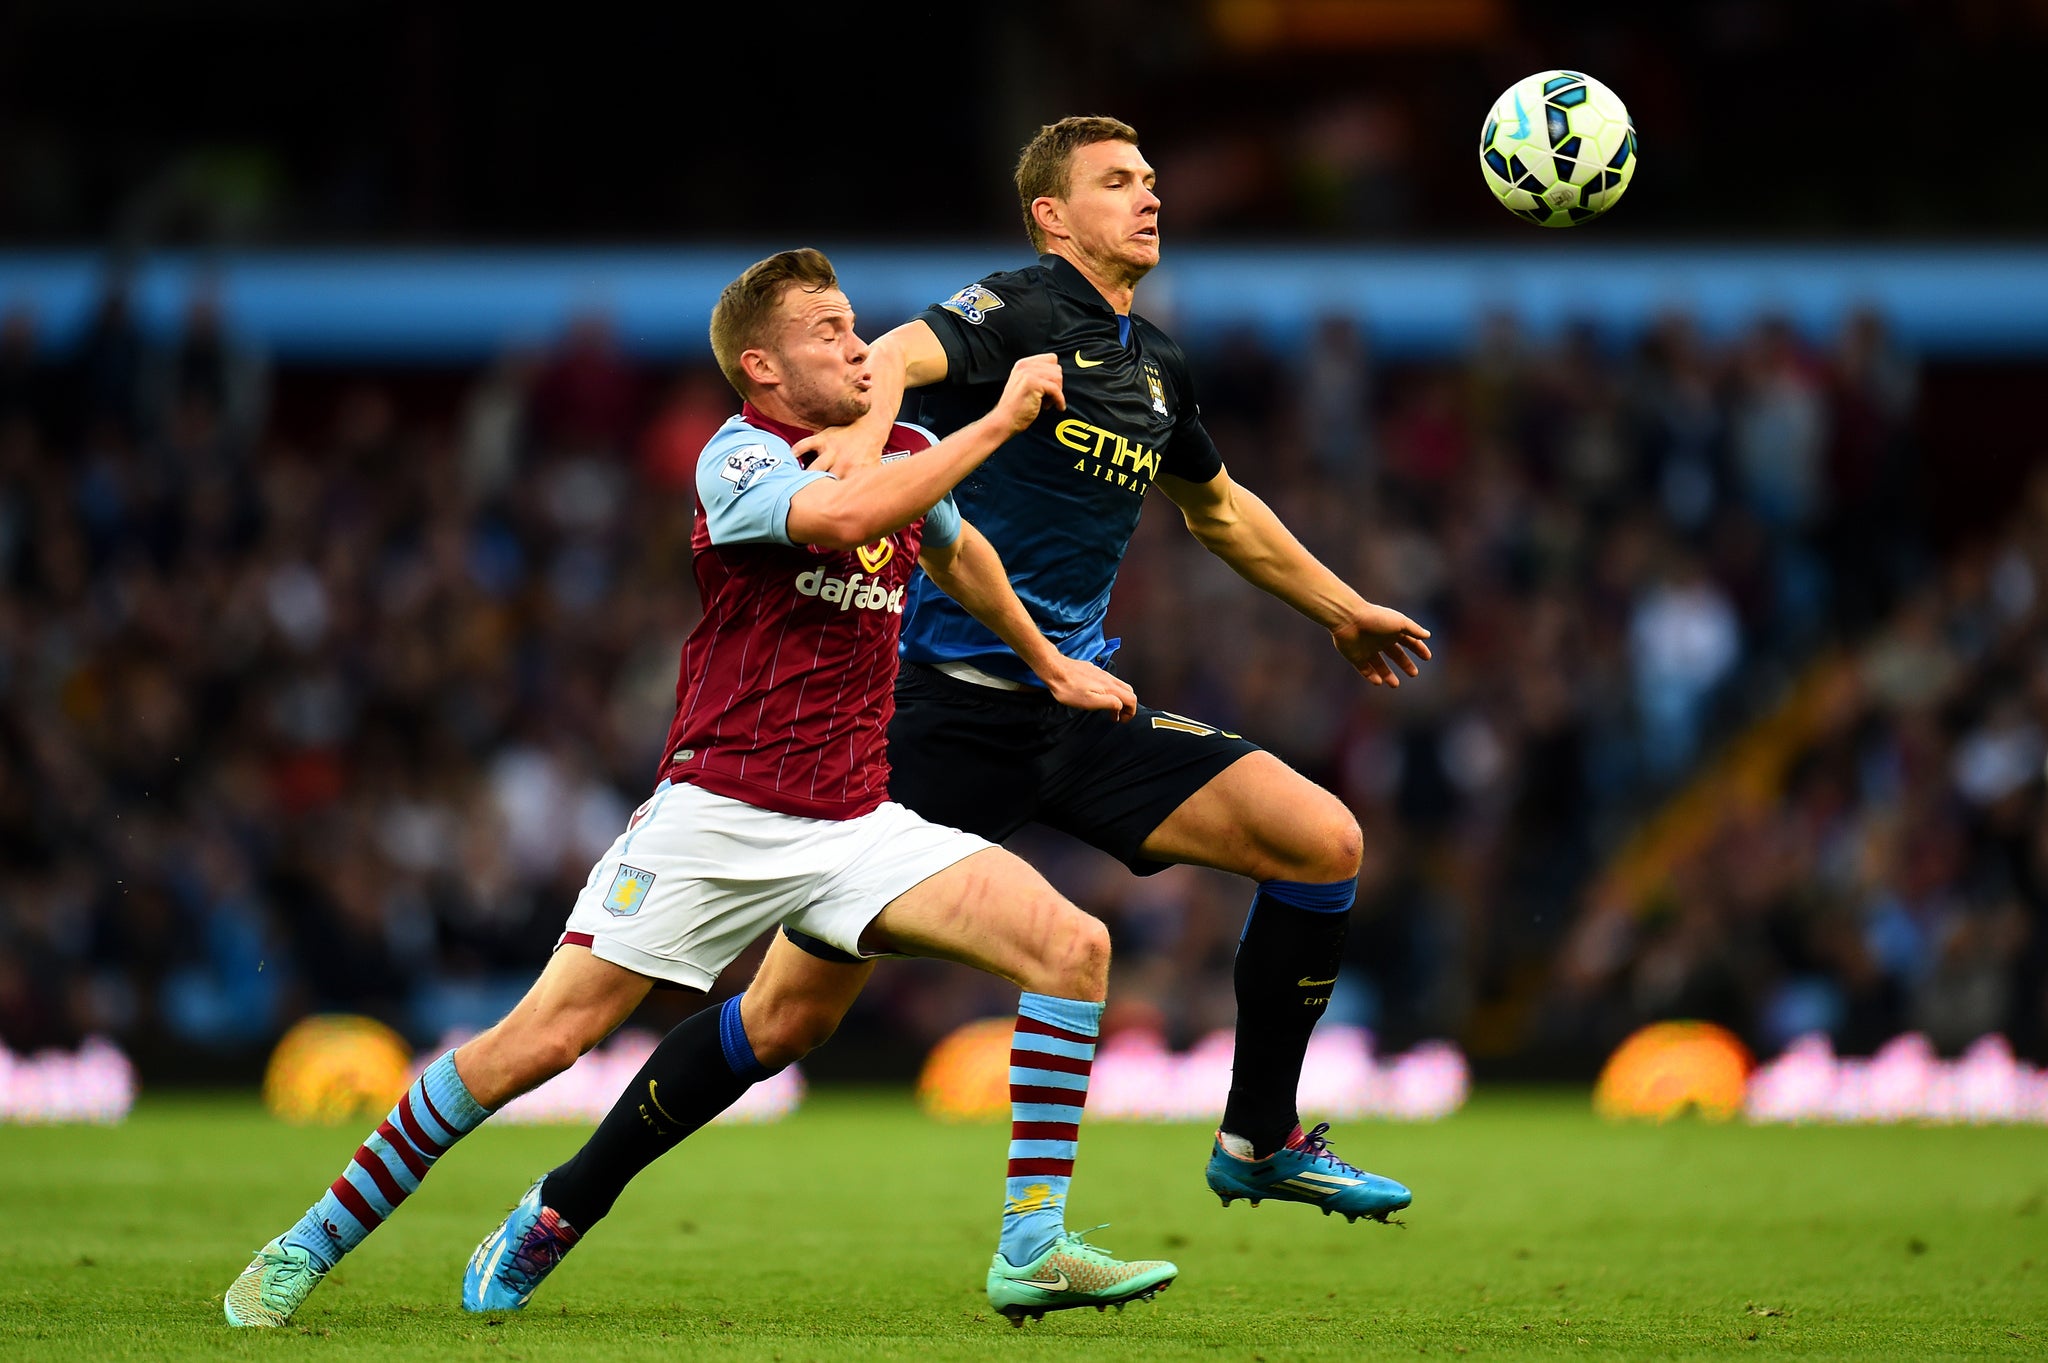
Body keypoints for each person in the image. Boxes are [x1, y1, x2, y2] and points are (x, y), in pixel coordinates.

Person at [533, 113, 1433, 1277]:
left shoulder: (1155, 365)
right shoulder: (1019, 304)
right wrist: (859, 442)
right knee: (790, 1019)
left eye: (1152, 179)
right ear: (1053, 215)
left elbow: (1218, 509)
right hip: (938, 716)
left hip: (1074, 703)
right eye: (1117, 182)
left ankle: (1258, 1135)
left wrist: (1340, 608)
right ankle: (566, 1198)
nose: (1148, 196)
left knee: (1321, 840)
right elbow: (901, 354)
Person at [224, 248, 1176, 1328]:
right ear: (760, 368)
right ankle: (308, 1241)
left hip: (857, 817)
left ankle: (1031, 1246)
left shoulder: (906, 445)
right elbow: (838, 523)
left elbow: (956, 553)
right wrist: (997, 423)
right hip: (716, 815)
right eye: (826, 330)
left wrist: (1049, 665)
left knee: (1075, 946)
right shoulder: (737, 457)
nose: (857, 343)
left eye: (854, 322)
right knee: (535, 1045)